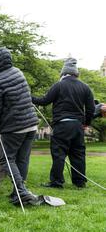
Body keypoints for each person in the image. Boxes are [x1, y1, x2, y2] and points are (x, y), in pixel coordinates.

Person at [0, 47, 40, 206]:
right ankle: (18, 193)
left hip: (15, 127)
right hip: (31, 125)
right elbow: (12, 95)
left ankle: (21, 192)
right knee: (22, 159)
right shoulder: (18, 72)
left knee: (7, 159)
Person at [32, 58, 95, 189]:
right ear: (76, 73)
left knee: (59, 153)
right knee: (78, 154)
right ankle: (80, 182)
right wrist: (86, 123)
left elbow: (44, 101)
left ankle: (56, 182)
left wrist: (28, 96)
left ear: (64, 73)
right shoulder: (85, 88)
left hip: (62, 125)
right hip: (78, 126)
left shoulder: (59, 85)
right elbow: (91, 109)